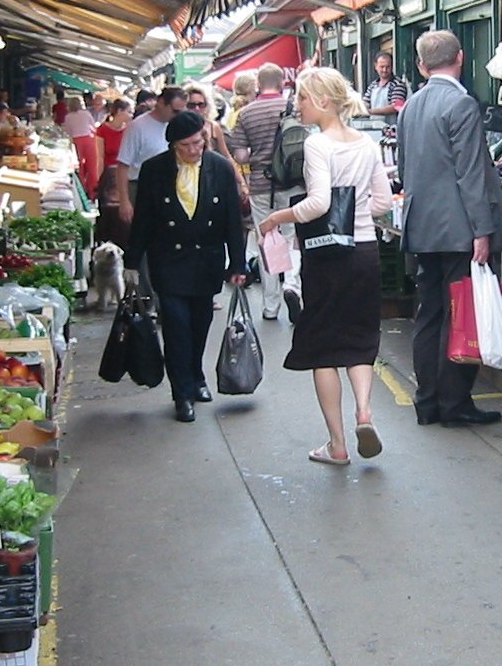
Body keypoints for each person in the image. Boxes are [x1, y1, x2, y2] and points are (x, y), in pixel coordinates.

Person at [259, 68, 393, 466]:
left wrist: (276, 218)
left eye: (302, 98)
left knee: (323, 349)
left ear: (321, 101)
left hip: (327, 255)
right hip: (365, 253)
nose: (297, 105)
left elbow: (317, 204)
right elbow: (383, 203)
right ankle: (364, 412)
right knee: (359, 339)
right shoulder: (367, 145)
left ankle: (337, 445)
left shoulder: (318, 145)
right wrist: (361, 212)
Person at [397, 29, 502, 429]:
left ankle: (426, 401)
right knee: (461, 313)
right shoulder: (461, 104)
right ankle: (454, 402)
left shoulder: (409, 106)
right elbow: (470, 174)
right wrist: (482, 230)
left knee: (428, 313)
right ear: (461, 58)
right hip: (457, 227)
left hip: (421, 226)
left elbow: (404, 168)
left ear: (420, 65)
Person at [124, 109, 247, 423]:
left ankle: (197, 375)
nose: (195, 150)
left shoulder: (219, 167)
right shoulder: (155, 170)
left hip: (206, 260)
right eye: (188, 145)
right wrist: (132, 261)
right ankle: (182, 394)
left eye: (199, 143)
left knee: (200, 323)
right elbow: (144, 219)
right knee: (177, 326)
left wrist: (238, 262)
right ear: (173, 146)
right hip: (169, 259)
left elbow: (233, 220)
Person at [228, 63, 303, 322]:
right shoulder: (294, 108)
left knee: (267, 240)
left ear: (258, 85)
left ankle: (271, 305)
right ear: (282, 83)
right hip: (294, 183)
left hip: (261, 184)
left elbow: (239, 154)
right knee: (293, 237)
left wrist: (256, 155)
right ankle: (293, 285)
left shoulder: (246, 113)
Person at [116, 88, 187, 293]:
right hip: (139, 186)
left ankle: (168, 290)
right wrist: (124, 200)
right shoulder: (137, 127)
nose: (177, 115)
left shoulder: (176, 125)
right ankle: (148, 296)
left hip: (172, 187)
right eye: (175, 110)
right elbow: (122, 165)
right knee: (143, 240)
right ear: (161, 103)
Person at [93, 98, 132, 247]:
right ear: (119, 112)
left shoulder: (129, 130)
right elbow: (100, 158)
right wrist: (98, 181)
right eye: (128, 111)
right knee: (108, 213)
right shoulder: (102, 130)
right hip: (109, 178)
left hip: (124, 175)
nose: (131, 115)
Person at [62, 91, 102, 197]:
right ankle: (93, 192)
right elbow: (93, 127)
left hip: (76, 142)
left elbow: (68, 132)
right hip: (89, 140)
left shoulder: (68, 117)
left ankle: (82, 191)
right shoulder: (86, 114)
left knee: (80, 167)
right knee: (92, 167)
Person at [364, 52, 409, 124]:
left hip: (392, 129)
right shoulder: (373, 85)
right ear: (376, 66)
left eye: (388, 67)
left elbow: (396, 107)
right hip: (374, 128)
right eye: (382, 67)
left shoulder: (398, 84)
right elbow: (366, 102)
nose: (384, 70)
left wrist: (369, 111)